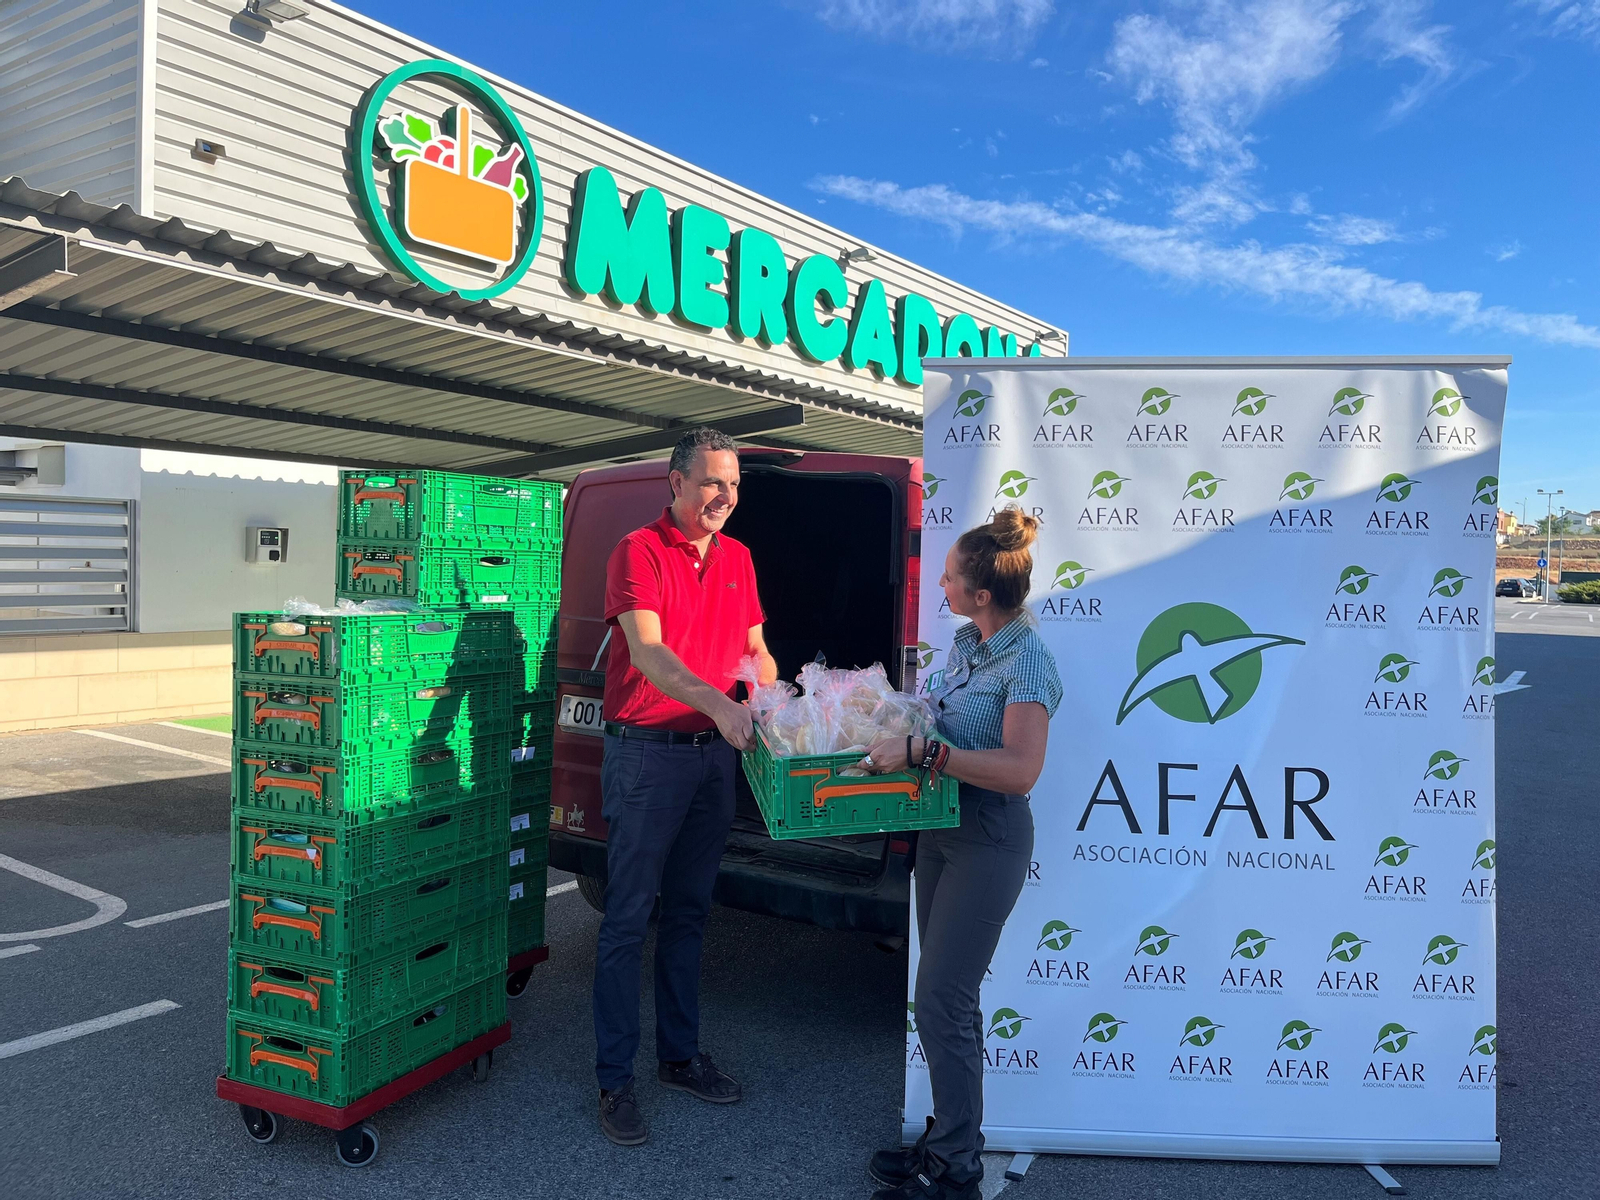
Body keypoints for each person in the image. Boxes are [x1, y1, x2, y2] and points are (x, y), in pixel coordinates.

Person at [861, 506, 1062, 1200]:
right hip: (941, 831)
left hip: (990, 836)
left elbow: (1020, 770)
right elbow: (938, 715)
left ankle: (956, 1171)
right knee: (948, 1002)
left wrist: (926, 751)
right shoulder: (967, 642)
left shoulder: (1028, 660)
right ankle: (952, 1137)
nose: (940, 586)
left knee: (942, 999)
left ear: (983, 594)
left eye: (949, 579)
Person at [592, 427, 777, 1146]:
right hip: (648, 757)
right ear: (674, 483)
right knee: (627, 918)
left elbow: (756, 651)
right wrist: (724, 706)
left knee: (692, 913)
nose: (723, 497)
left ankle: (678, 1056)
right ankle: (614, 1079)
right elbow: (648, 651)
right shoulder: (636, 552)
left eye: (732, 485)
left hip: (710, 760)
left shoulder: (739, 558)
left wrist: (790, 701)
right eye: (710, 482)